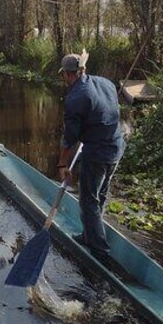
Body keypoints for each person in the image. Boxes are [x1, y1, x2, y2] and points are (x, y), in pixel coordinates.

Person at [56, 52, 125, 259]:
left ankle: (99, 252)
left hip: (97, 154)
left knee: (88, 200)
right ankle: (89, 235)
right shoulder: (106, 83)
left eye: (64, 75)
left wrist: (62, 165)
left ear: (68, 75)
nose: (64, 79)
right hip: (116, 148)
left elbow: (70, 138)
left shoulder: (75, 97)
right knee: (100, 196)